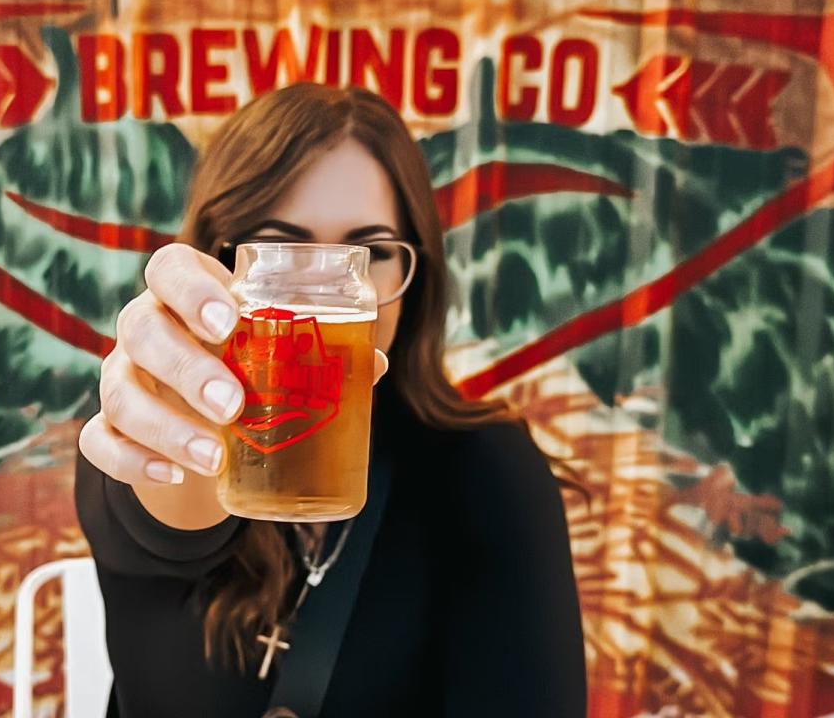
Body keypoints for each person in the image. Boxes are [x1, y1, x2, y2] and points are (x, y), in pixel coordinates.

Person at [75, 84, 586, 717]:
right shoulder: (144, 433)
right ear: (215, 265)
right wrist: (185, 425)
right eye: (279, 250)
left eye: (367, 253)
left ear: (415, 276)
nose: (319, 292)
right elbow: (161, 522)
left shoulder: (488, 471)